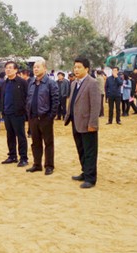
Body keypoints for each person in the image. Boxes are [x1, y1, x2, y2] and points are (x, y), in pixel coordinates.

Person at [64, 56, 101, 188]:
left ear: (86, 68)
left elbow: (96, 106)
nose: (76, 69)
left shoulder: (93, 83)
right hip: (76, 122)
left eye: (79, 67)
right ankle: (85, 172)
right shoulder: (74, 83)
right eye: (75, 67)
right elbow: (72, 102)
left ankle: (91, 178)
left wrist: (93, 124)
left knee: (90, 151)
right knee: (81, 149)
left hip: (87, 124)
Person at [26, 60, 59, 175]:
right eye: (34, 67)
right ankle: (37, 164)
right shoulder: (31, 82)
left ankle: (49, 165)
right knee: (35, 143)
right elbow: (28, 99)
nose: (35, 69)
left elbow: (55, 101)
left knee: (48, 143)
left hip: (45, 118)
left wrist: (51, 116)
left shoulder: (50, 83)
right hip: (33, 118)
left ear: (45, 69)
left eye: (38, 67)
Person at [1, 61, 29, 167]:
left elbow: (27, 97)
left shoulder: (22, 82)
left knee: (21, 136)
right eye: (6, 68)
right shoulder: (4, 83)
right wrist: (2, 111)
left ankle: (23, 158)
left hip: (18, 114)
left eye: (10, 68)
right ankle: (12, 156)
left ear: (16, 70)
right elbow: (2, 98)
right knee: (10, 136)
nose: (8, 70)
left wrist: (24, 111)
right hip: (7, 114)